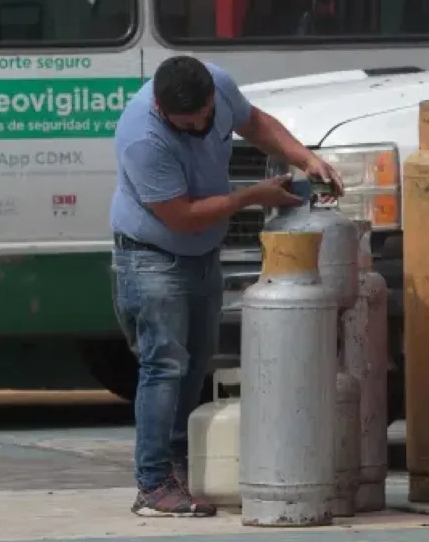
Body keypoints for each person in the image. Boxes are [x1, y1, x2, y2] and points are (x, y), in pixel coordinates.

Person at [110, 55, 343, 517]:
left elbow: (254, 122)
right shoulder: (141, 136)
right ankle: (152, 484)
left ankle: (178, 467)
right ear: (160, 108)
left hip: (202, 256)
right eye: (188, 125)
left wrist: (305, 158)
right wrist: (251, 197)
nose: (201, 127)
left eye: (207, 117)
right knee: (165, 365)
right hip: (152, 258)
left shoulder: (217, 83)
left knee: (196, 363)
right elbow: (181, 216)